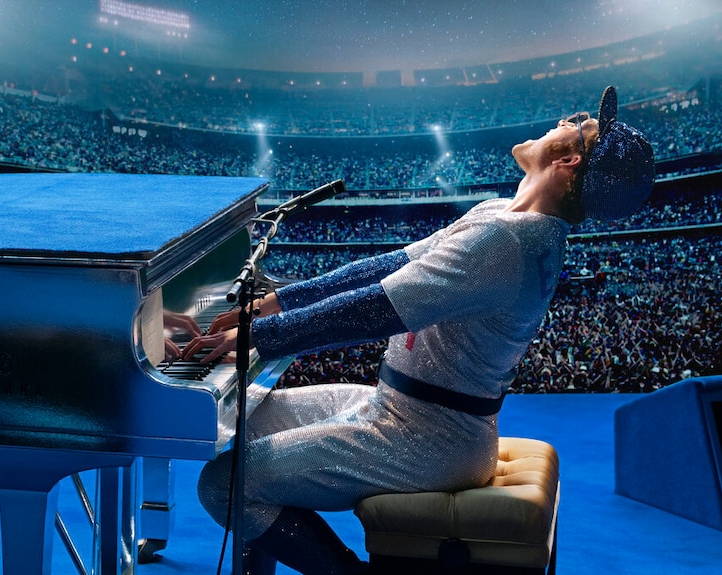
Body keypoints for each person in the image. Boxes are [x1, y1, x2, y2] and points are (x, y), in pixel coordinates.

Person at [180, 86, 655, 575]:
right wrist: (270, 304)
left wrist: (259, 334)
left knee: (224, 483)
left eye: (576, 123)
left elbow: (374, 309)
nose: (562, 119)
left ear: (570, 159)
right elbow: (385, 267)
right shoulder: (503, 216)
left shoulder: (507, 242)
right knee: (246, 421)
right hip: (399, 409)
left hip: (429, 439)